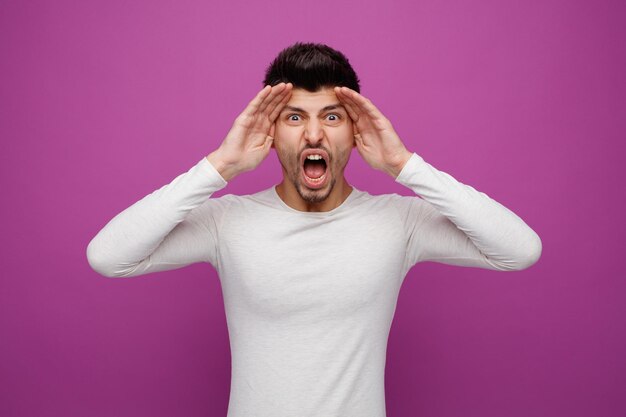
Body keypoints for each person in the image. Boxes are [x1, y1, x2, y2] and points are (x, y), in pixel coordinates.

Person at [86, 42, 542, 417]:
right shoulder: (227, 220)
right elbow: (108, 257)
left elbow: (519, 249)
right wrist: (219, 166)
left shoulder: (399, 221)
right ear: (272, 132)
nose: (313, 135)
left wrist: (405, 165)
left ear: (353, 130)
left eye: (331, 116)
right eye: (294, 117)